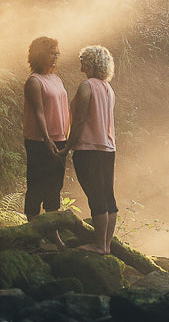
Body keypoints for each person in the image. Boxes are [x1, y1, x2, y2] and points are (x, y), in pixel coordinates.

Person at [62, 45, 117, 254]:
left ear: (93, 63)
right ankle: (106, 245)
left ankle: (99, 245)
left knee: (96, 196)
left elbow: (80, 121)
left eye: (84, 59)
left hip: (88, 148)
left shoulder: (87, 86)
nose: (81, 63)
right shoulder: (108, 89)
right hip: (108, 148)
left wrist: (68, 146)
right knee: (107, 196)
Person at [22, 37, 70, 242]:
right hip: (39, 140)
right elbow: (39, 113)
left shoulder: (56, 79)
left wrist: (67, 138)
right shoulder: (34, 82)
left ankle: (52, 232)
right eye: (52, 53)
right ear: (40, 55)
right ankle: (32, 231)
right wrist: (46, 139)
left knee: (55, 184)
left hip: (60, 139)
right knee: (37, 183)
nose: (56, 57)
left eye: (57, 53)